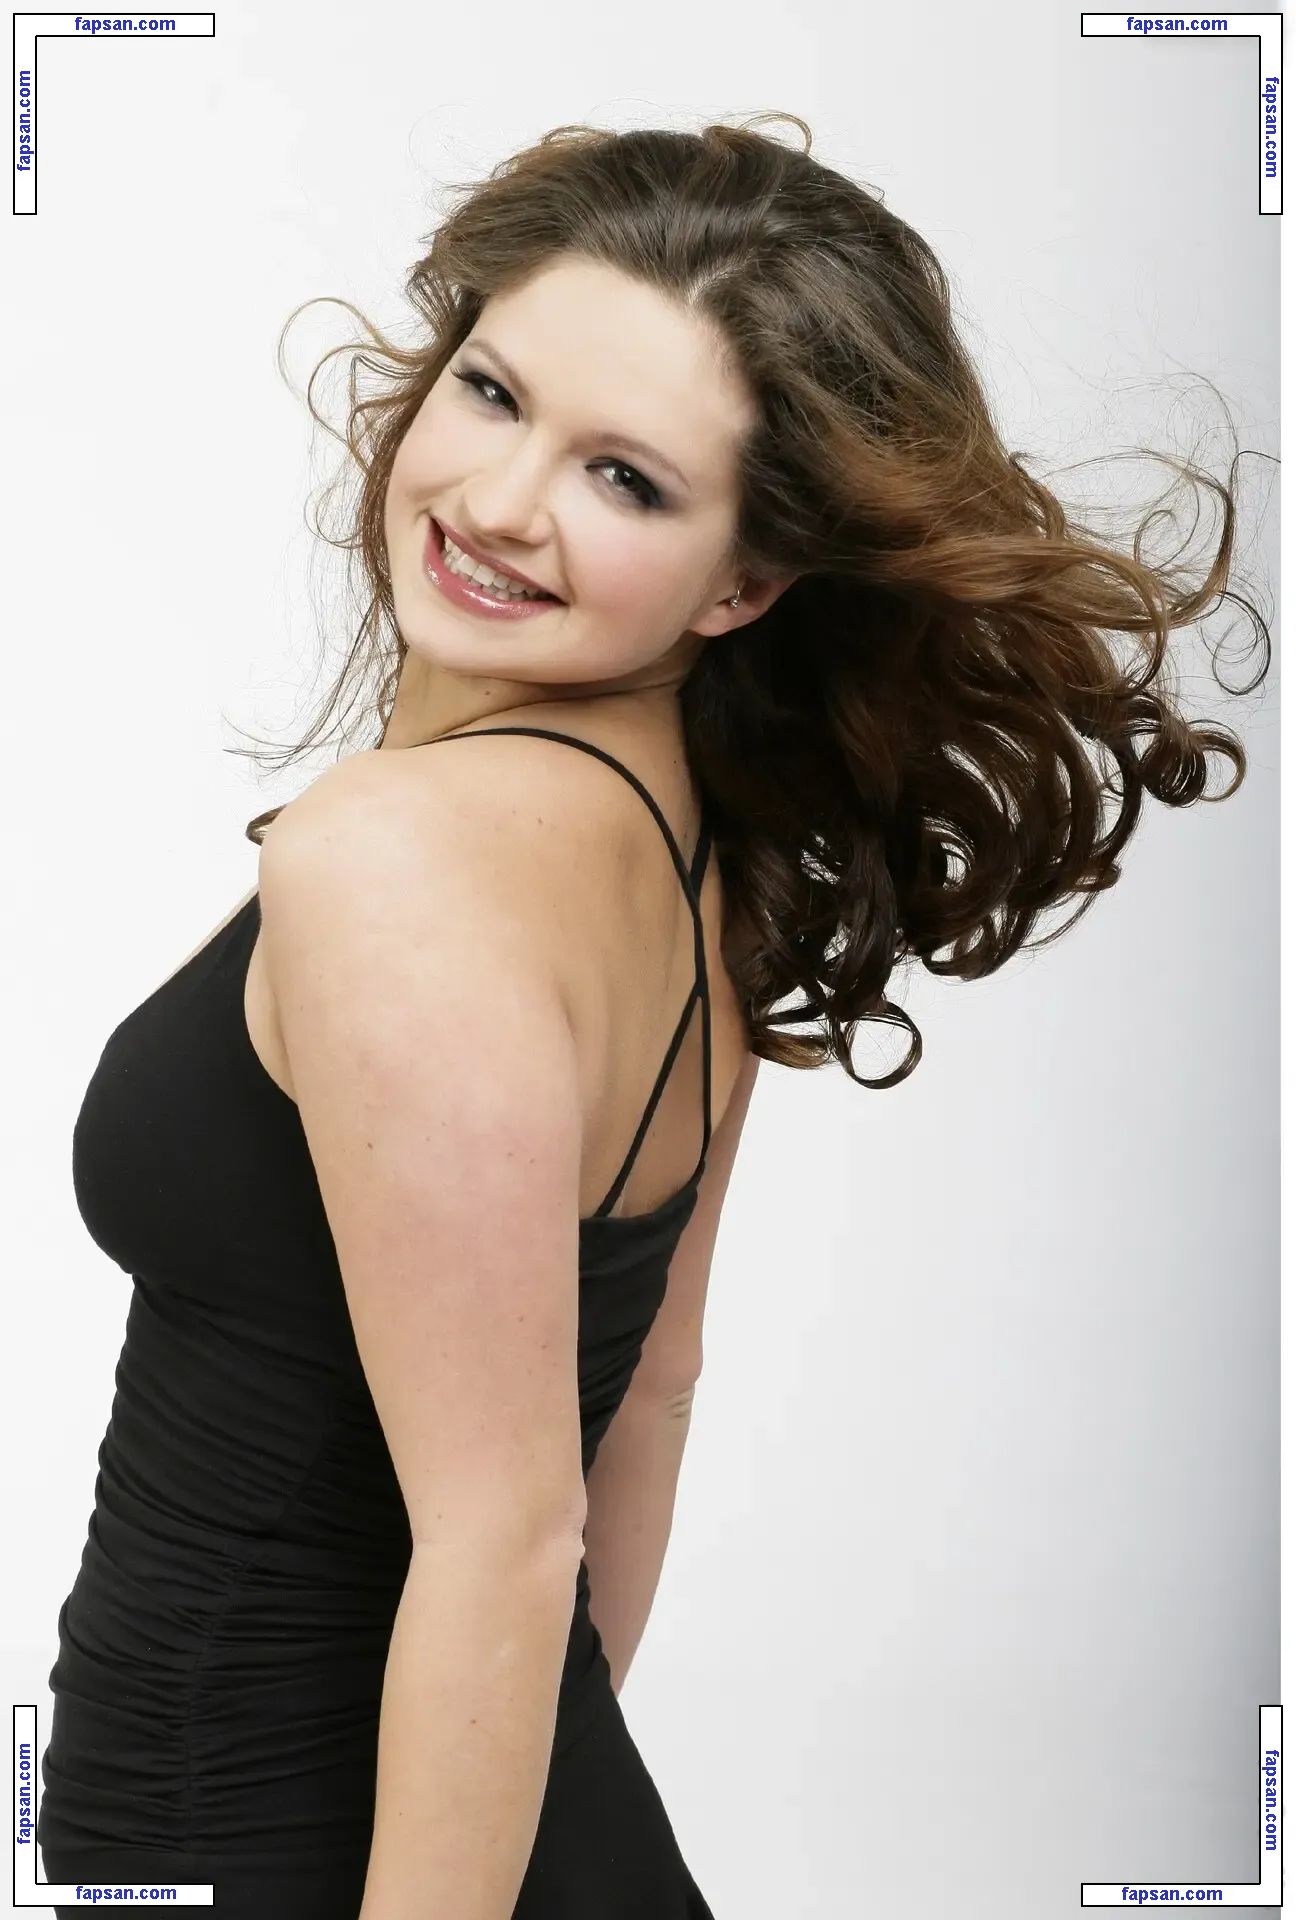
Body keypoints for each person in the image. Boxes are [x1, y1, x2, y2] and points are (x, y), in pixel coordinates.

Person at [37, 114, 1271, 1918]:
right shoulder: (696, 852)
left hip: (273, 1851)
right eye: (492, 392)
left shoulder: (393, 859)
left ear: (745, 581)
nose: (498, 501)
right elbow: (652, 1394)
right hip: (519, 1838)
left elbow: (503, 1537)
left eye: (624, 478)